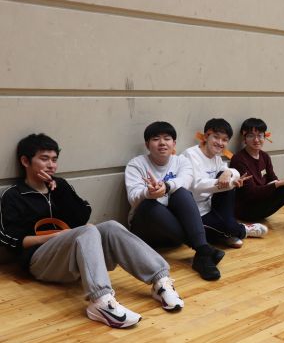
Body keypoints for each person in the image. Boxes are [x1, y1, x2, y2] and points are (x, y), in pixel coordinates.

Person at [0, 134, 184, 328]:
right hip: (39, 262)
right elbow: (10, 240)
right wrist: (54, 237)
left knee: (110, 226)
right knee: (87, 231)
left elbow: (82, 216)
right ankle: (101, 301)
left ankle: (160, 282)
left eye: (54, 160)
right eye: (44, 159)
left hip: (71, 255)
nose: (51, 165)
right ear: (25, 161)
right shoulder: (14, 195)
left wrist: (60, 193)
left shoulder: (60, 186)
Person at [125, 121, 225, 281]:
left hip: (173, 233)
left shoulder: (181, 161)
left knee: (182, 193)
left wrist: (166, 186)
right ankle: (203, 249)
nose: (162, 143)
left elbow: (186, 181)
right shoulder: (136, 164)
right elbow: (133, 197)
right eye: (156, 139)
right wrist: (149, 193)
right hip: (146, 230)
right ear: (147, 144)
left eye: (167, 138)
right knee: (150, 205)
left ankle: (202, 252)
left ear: (174, 144)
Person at [182, 118, 268, 249]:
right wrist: (223, 182)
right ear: (206, 136)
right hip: (195, 211)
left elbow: (234, 172)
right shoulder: (190, 155)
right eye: (216, 137)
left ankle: (228, 231)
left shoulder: (216, 158)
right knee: (220, 228)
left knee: (229, 181)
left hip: (212, 207)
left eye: (224, 140)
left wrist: (228, 173)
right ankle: (242, 230)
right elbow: (196, 186)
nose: (220, 143)